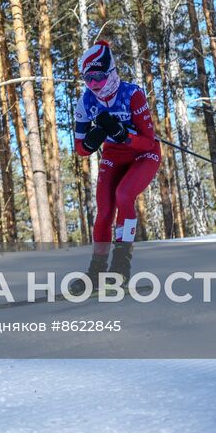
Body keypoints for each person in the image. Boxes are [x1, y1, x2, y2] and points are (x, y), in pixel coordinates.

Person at [67, 40, 161, 295]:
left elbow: (148, 142)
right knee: (105, 209)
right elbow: (80, 150)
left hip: (143, 154)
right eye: (88, 79)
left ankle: (121, 266)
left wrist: (123, 135)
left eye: (98, 77)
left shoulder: (132, 94)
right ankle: (96, 272)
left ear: (110, 72)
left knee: (124, 195)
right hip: (114, 155)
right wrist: (91, 139)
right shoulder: (86, 102)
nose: (94, 85)